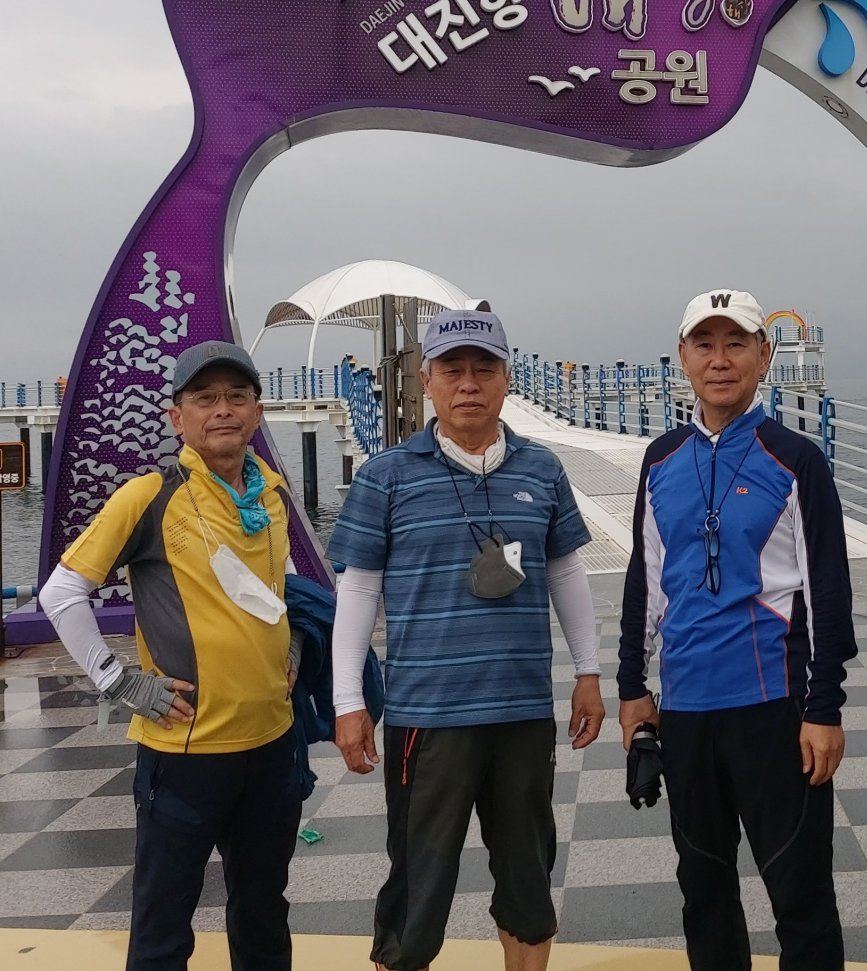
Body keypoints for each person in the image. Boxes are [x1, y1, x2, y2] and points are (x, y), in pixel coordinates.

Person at [327, 307, 604, 971]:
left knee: (529, 879)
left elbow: (566, 571)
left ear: (508, 379)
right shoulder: (386, 476)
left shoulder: (542, 470)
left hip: (521, 712)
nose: (469, 383)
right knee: (417, 886)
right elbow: (358, 590)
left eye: (485, 368)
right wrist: (347, 701)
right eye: (452, 370)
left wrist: (589, 672)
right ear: (426, 380)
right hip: (428, 718)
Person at [38, 340, 304, 971]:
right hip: (186, 750)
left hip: (271, 742)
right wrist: (119, 682)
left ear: (258, 412)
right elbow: (61, 592)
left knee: (264, 914)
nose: (223, 409)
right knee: (163, 922)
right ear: (176, 417)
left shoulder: (269, 492)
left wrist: (293, 641)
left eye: (237, 396)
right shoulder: (150, 495)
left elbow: (283, 578)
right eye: (204, 398)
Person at [617, 289, 857, 971]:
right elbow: (646, 578)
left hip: (775, 707)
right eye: (705, 344)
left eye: (736, 344)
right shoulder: (660, 458)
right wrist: (632, 686)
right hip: (687, 710)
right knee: (704, 891)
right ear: (683, 356)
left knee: (801, 894)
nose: (719, 360)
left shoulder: (796, 458)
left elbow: (828, 589)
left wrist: (824, 707)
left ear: (763, 355)